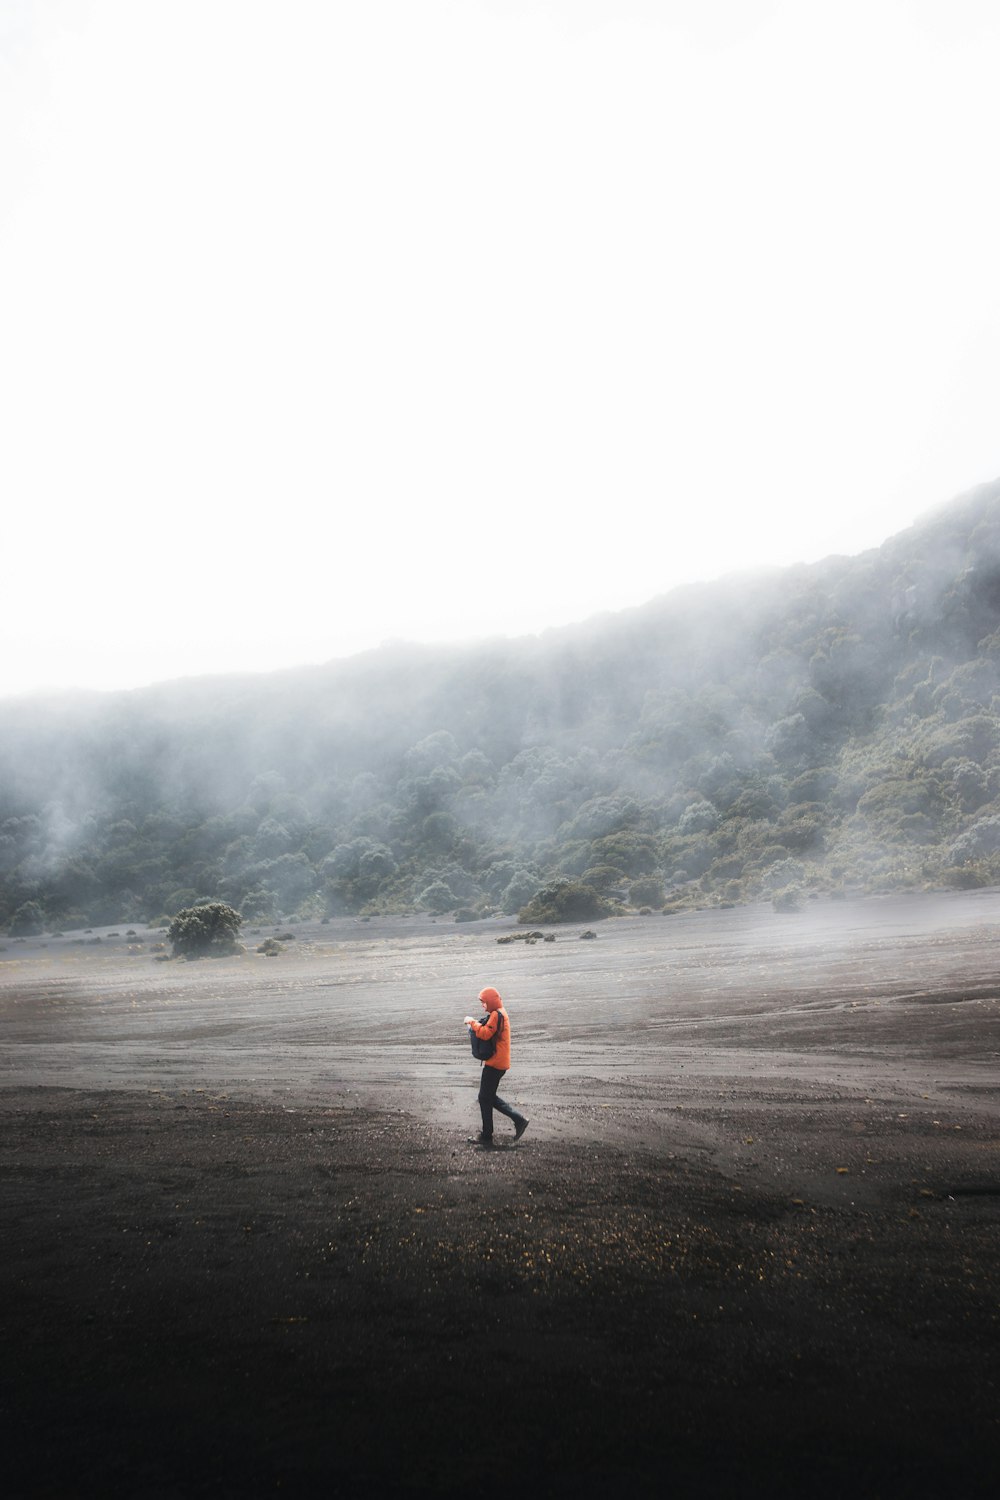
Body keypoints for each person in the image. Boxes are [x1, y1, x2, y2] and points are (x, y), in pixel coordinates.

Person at [463, 985, 529, 1149]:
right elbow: (489, 1031)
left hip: (495, 1063)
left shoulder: (496, 1014)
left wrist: (471, 1022)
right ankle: (517, 1121)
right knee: (488, 1097)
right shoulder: (500, 1013)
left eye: (484, 1002)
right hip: (499, 1062)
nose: (482, 1005)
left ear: (491, 1001)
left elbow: (485, 1033)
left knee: (484, 1097)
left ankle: (488, 1135)